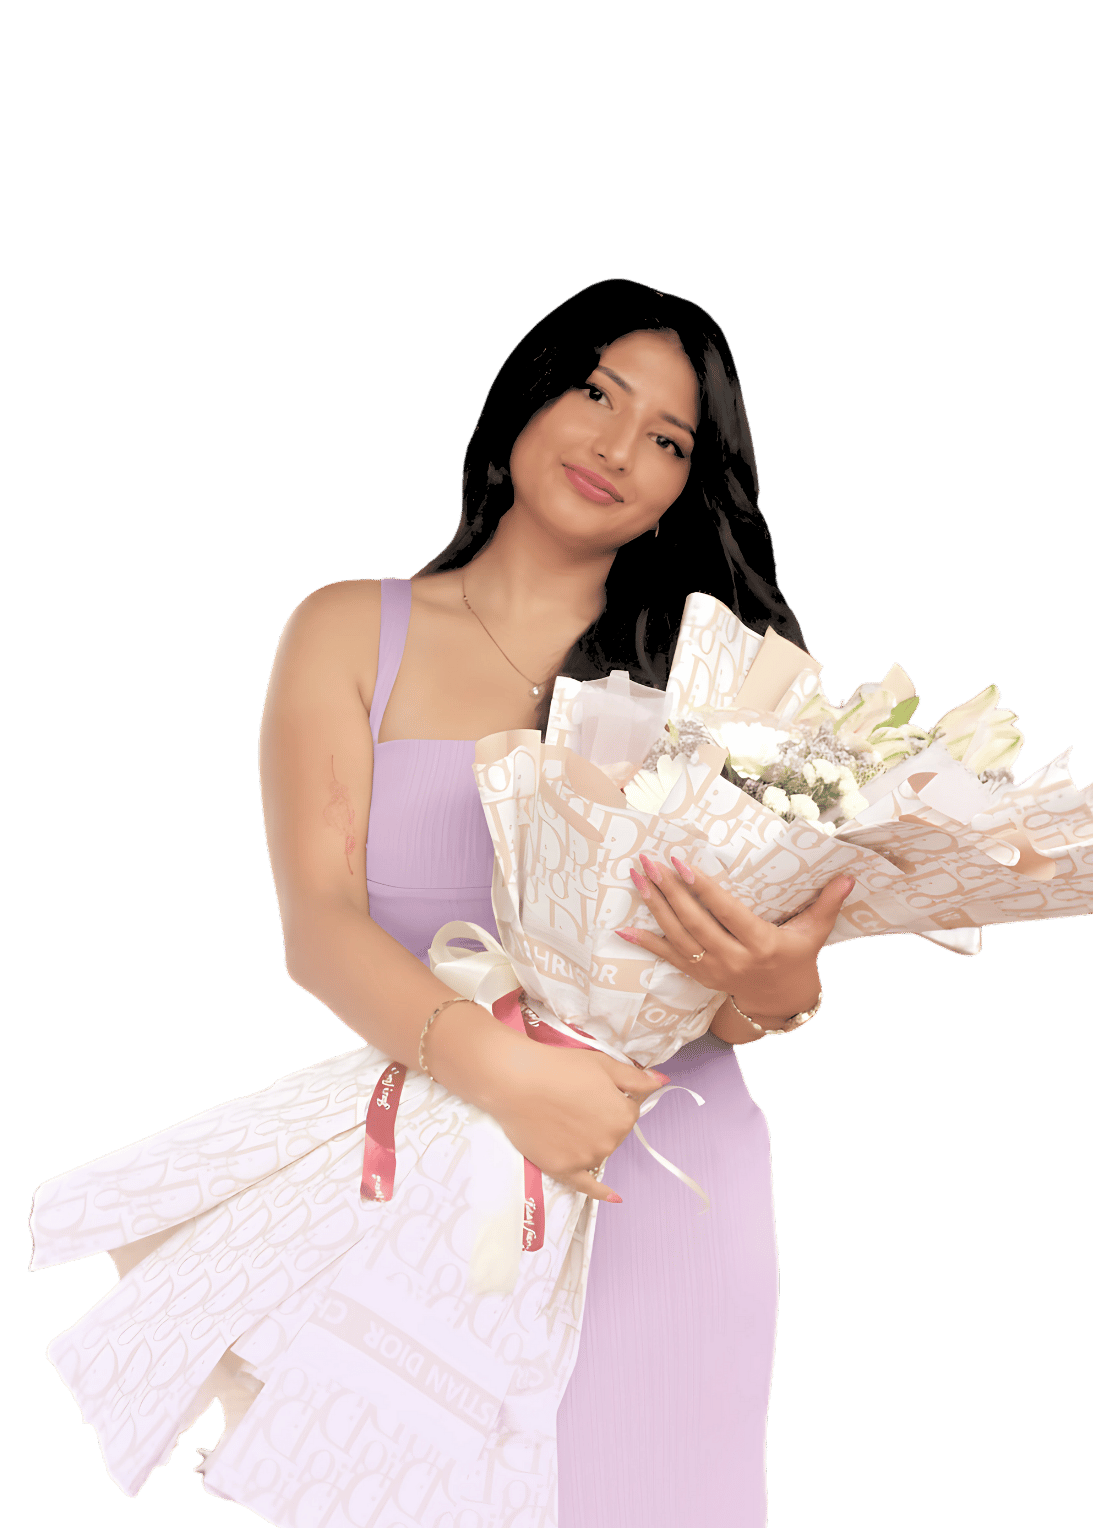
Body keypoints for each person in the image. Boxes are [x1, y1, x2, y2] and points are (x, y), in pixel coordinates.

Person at [31, 278, 854, 1527]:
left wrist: (779, 989)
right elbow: (320, 928)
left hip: (663, 1175)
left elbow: (731, 999)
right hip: (434, 1174)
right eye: (596, 393)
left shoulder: (718, 682)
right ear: (526, 393)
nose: (617, 448)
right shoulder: (347, 631)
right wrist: (507, 1075)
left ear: (689, 486)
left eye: (668, 440)